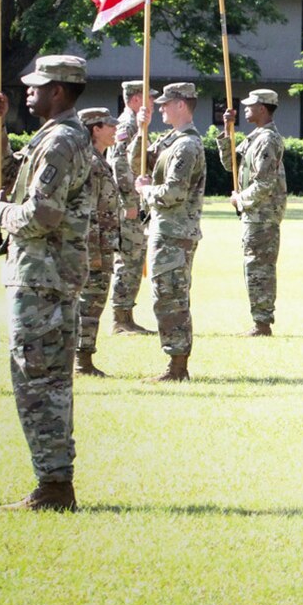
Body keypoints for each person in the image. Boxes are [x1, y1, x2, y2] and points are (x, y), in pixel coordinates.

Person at [0, 55, 93, 512]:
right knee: (50, 381)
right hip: (46, 275)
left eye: (37, 86)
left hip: (42, 277)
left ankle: (53, 486)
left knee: (37, 382)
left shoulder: (61, 141)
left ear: (59, 92)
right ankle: (54, 481)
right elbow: (8, 177)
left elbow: (42, 214)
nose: (29, 92)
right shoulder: (56, 138)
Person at [136, 82, 207, 383]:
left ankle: (177, 367)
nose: (160, 107)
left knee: (172, 298)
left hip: (175, 231)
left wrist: (146, 191)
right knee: (164, 296)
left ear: (181, 105)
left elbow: (174, 192)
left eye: (166, 104)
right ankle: (175, 363)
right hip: (166, 229)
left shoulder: (187, 145)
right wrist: (141, 131)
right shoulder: (172, 141)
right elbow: (138, 162)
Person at [221, 88, 288, 337]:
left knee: (259, 267)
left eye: (250, 105)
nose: (245, 108)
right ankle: (260, 321)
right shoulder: (256, 137)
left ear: (262, 109)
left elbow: (264, 182)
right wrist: (226, 131)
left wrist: (240, 199)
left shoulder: (268, 140)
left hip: (263, 213)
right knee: (254, 264)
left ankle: (262, 323)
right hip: (255, 212)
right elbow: (232, 165)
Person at [73, 108, 120, 377]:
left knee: (94, 302)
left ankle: (84, 359)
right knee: (89, 303)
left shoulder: (100, 160)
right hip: (93, 247)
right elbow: (86, 211)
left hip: (102, 244)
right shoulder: (90, 163)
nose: (114, 129)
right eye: (108, 125)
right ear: (94, 129)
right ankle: (82, 362)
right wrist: (93, 252)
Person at [110, 80, 156, 334]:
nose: (152, 103)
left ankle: (126, 315)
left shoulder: (136, 125)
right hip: (129, 205)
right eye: (149, 97)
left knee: (134, 259)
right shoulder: (127, 125)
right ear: (136, 100)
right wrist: (129, 202)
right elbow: (119, 164)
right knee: (129, 259)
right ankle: (120, 318)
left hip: (135, 202)